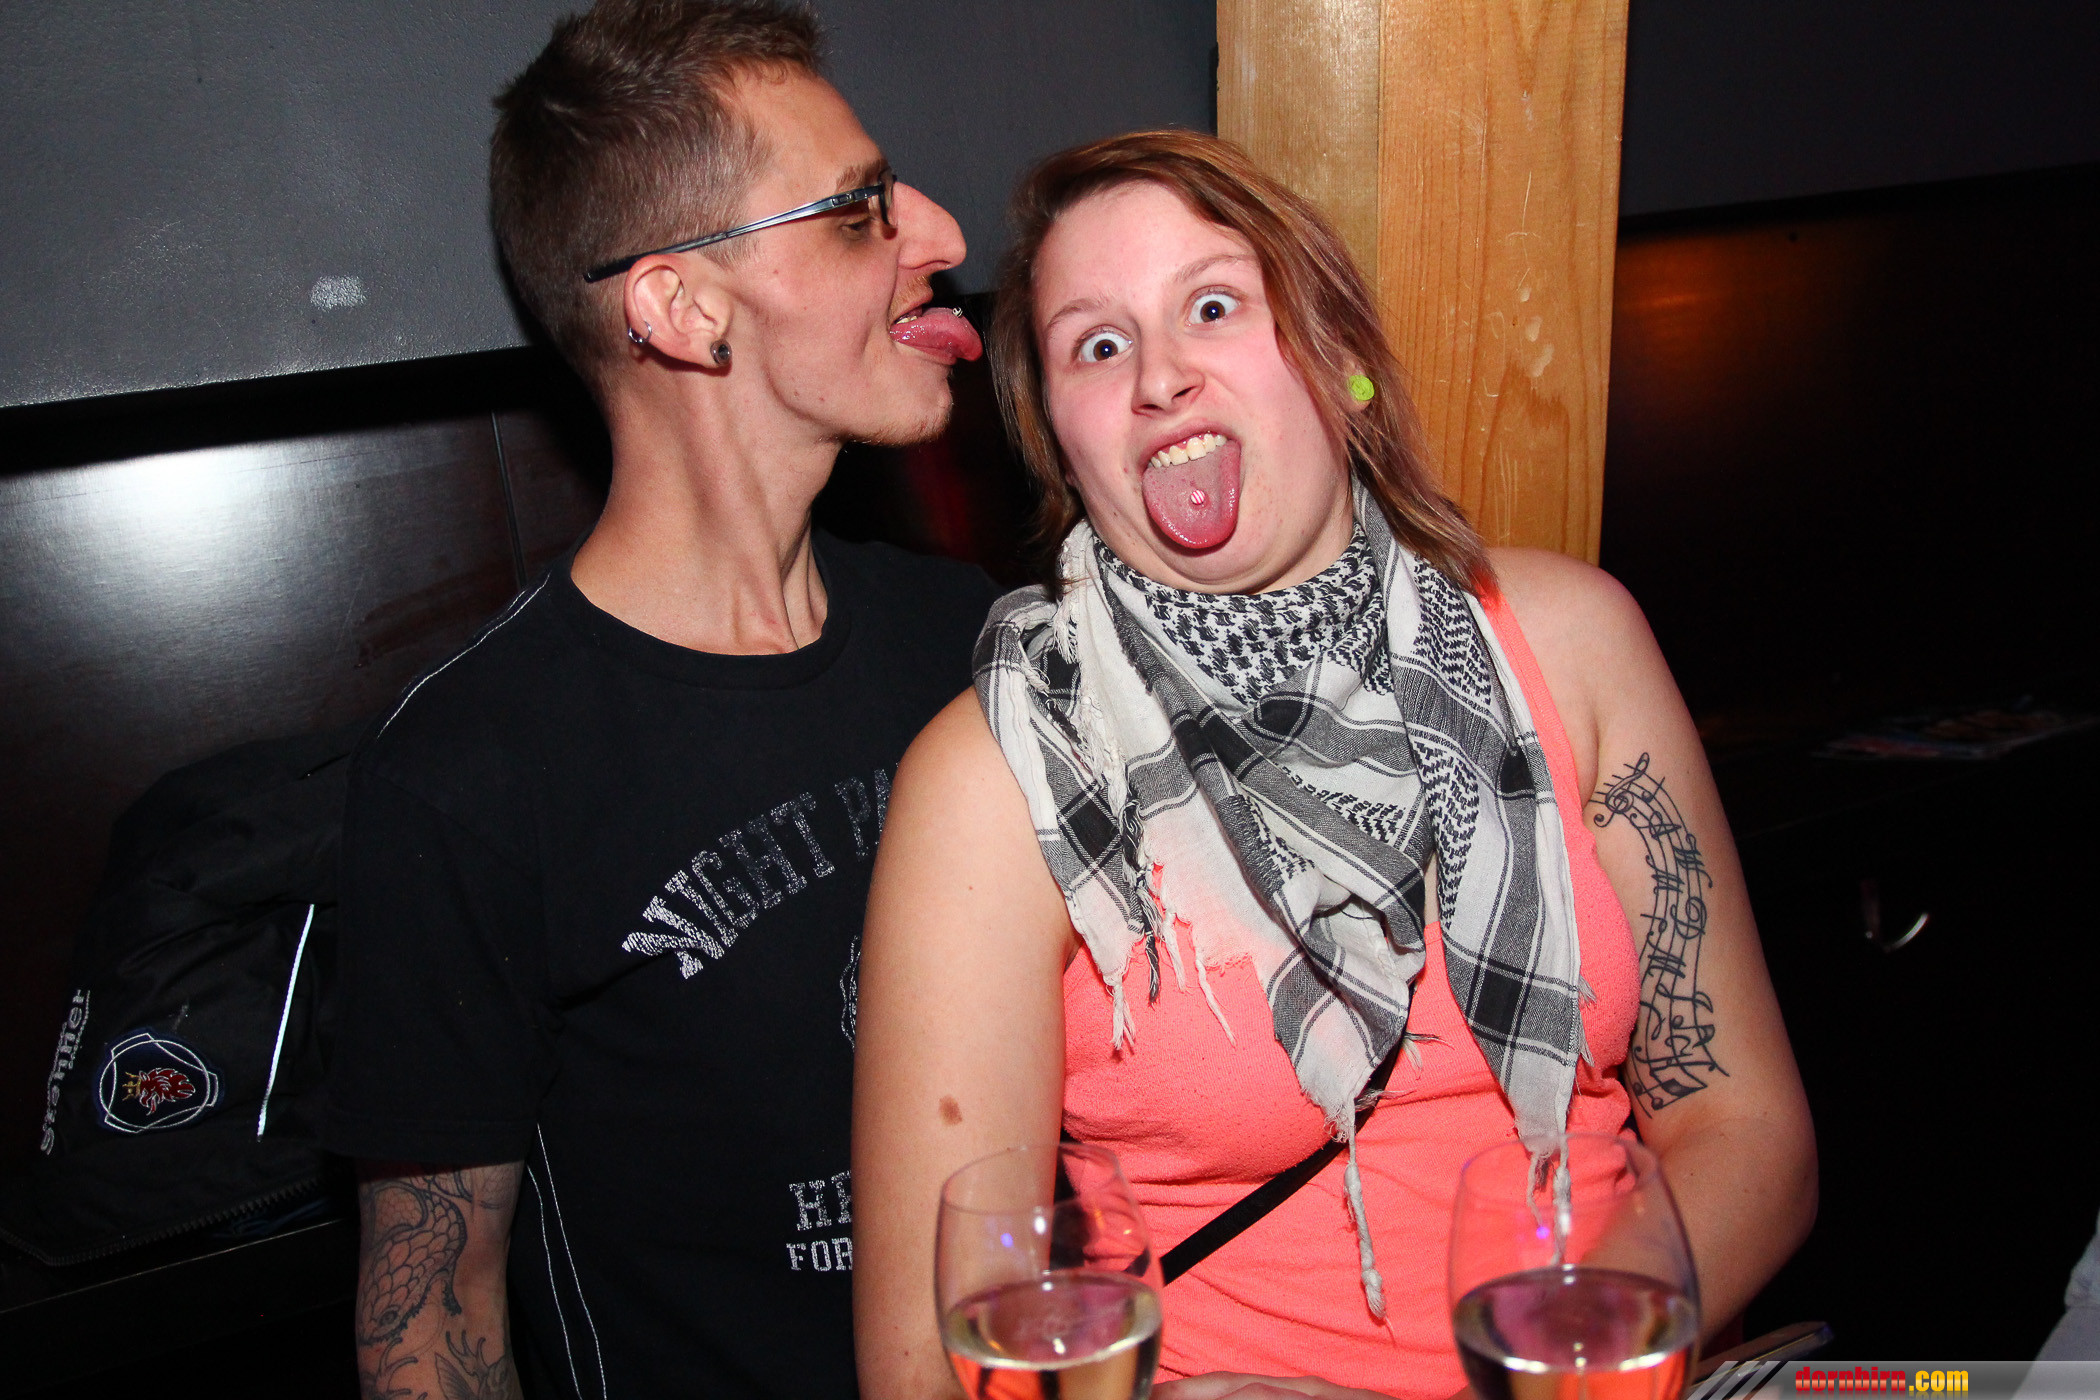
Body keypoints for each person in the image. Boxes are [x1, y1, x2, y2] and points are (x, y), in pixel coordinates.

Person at [852, 129, 1817, 1400]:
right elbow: (924, 1366)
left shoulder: (1572, 639)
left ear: (1340, 357)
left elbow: (1749, 1132)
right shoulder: (994, 775)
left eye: (1212, 306)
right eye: (1099, 345)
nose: (1161, 377)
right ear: (1064, 447)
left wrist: (1554, 1364)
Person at [320, 3, 998, 1397]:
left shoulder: (975, 639)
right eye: (857, 213)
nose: (939, 233)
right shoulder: (469, 772)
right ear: (683, 309)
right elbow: (429, 1322)